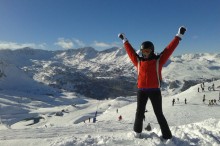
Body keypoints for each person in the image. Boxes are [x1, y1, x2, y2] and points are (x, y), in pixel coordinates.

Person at [118, 26, 187, 140]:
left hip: (155, 91)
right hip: (141, 91)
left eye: (147, 51)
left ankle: (167, 136)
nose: (145, 53)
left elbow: (169, 49)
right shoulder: (138, 61)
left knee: (159, 114)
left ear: (152, 51)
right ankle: (137, 132)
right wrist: (125, 40)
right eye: (143, 51)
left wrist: (178, 36)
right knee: (139, 113)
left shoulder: (158, 61)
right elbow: (130, 52)